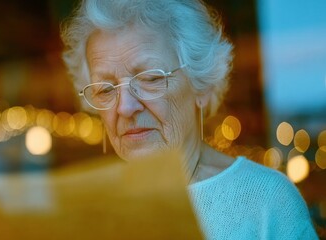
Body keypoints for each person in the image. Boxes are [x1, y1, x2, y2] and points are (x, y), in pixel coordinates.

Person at [60, 0, 318, 239]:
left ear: (201, 86)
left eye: (151, 78)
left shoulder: (266, 202)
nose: (125, 107)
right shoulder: (87, 210)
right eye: (106, 89)